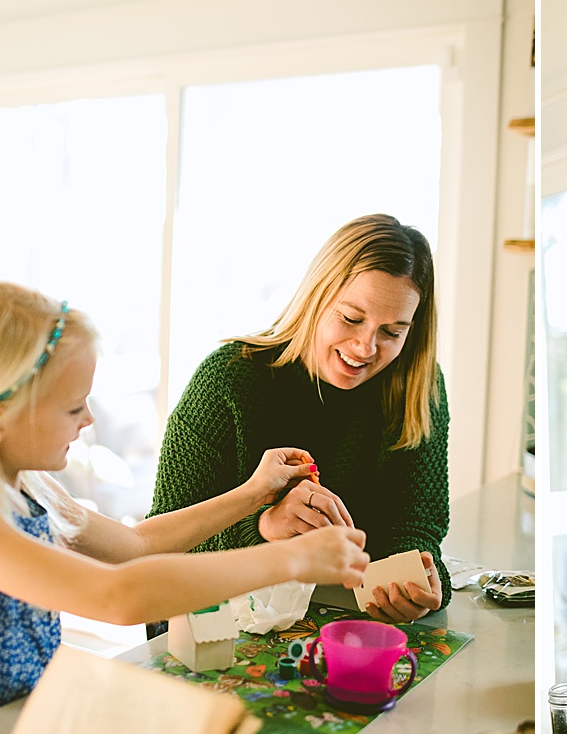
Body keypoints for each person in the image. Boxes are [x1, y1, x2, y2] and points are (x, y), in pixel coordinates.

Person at [0, 283, 369, 734]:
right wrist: (290, 558)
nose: (88, 420)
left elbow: (135, 546)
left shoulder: (28, 486)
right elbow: (118, 595)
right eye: (71, 407)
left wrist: (253, 492)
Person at [149, 213, 450, 624]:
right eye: (351, 318)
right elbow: (161, 549)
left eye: (392, 332)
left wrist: (418, 578)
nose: (365, 347)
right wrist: (263, 528)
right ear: (316, 297)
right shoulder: (227, 382)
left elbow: (417, 521)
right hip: (215, 629)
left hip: (343, 624)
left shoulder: (418, 389)